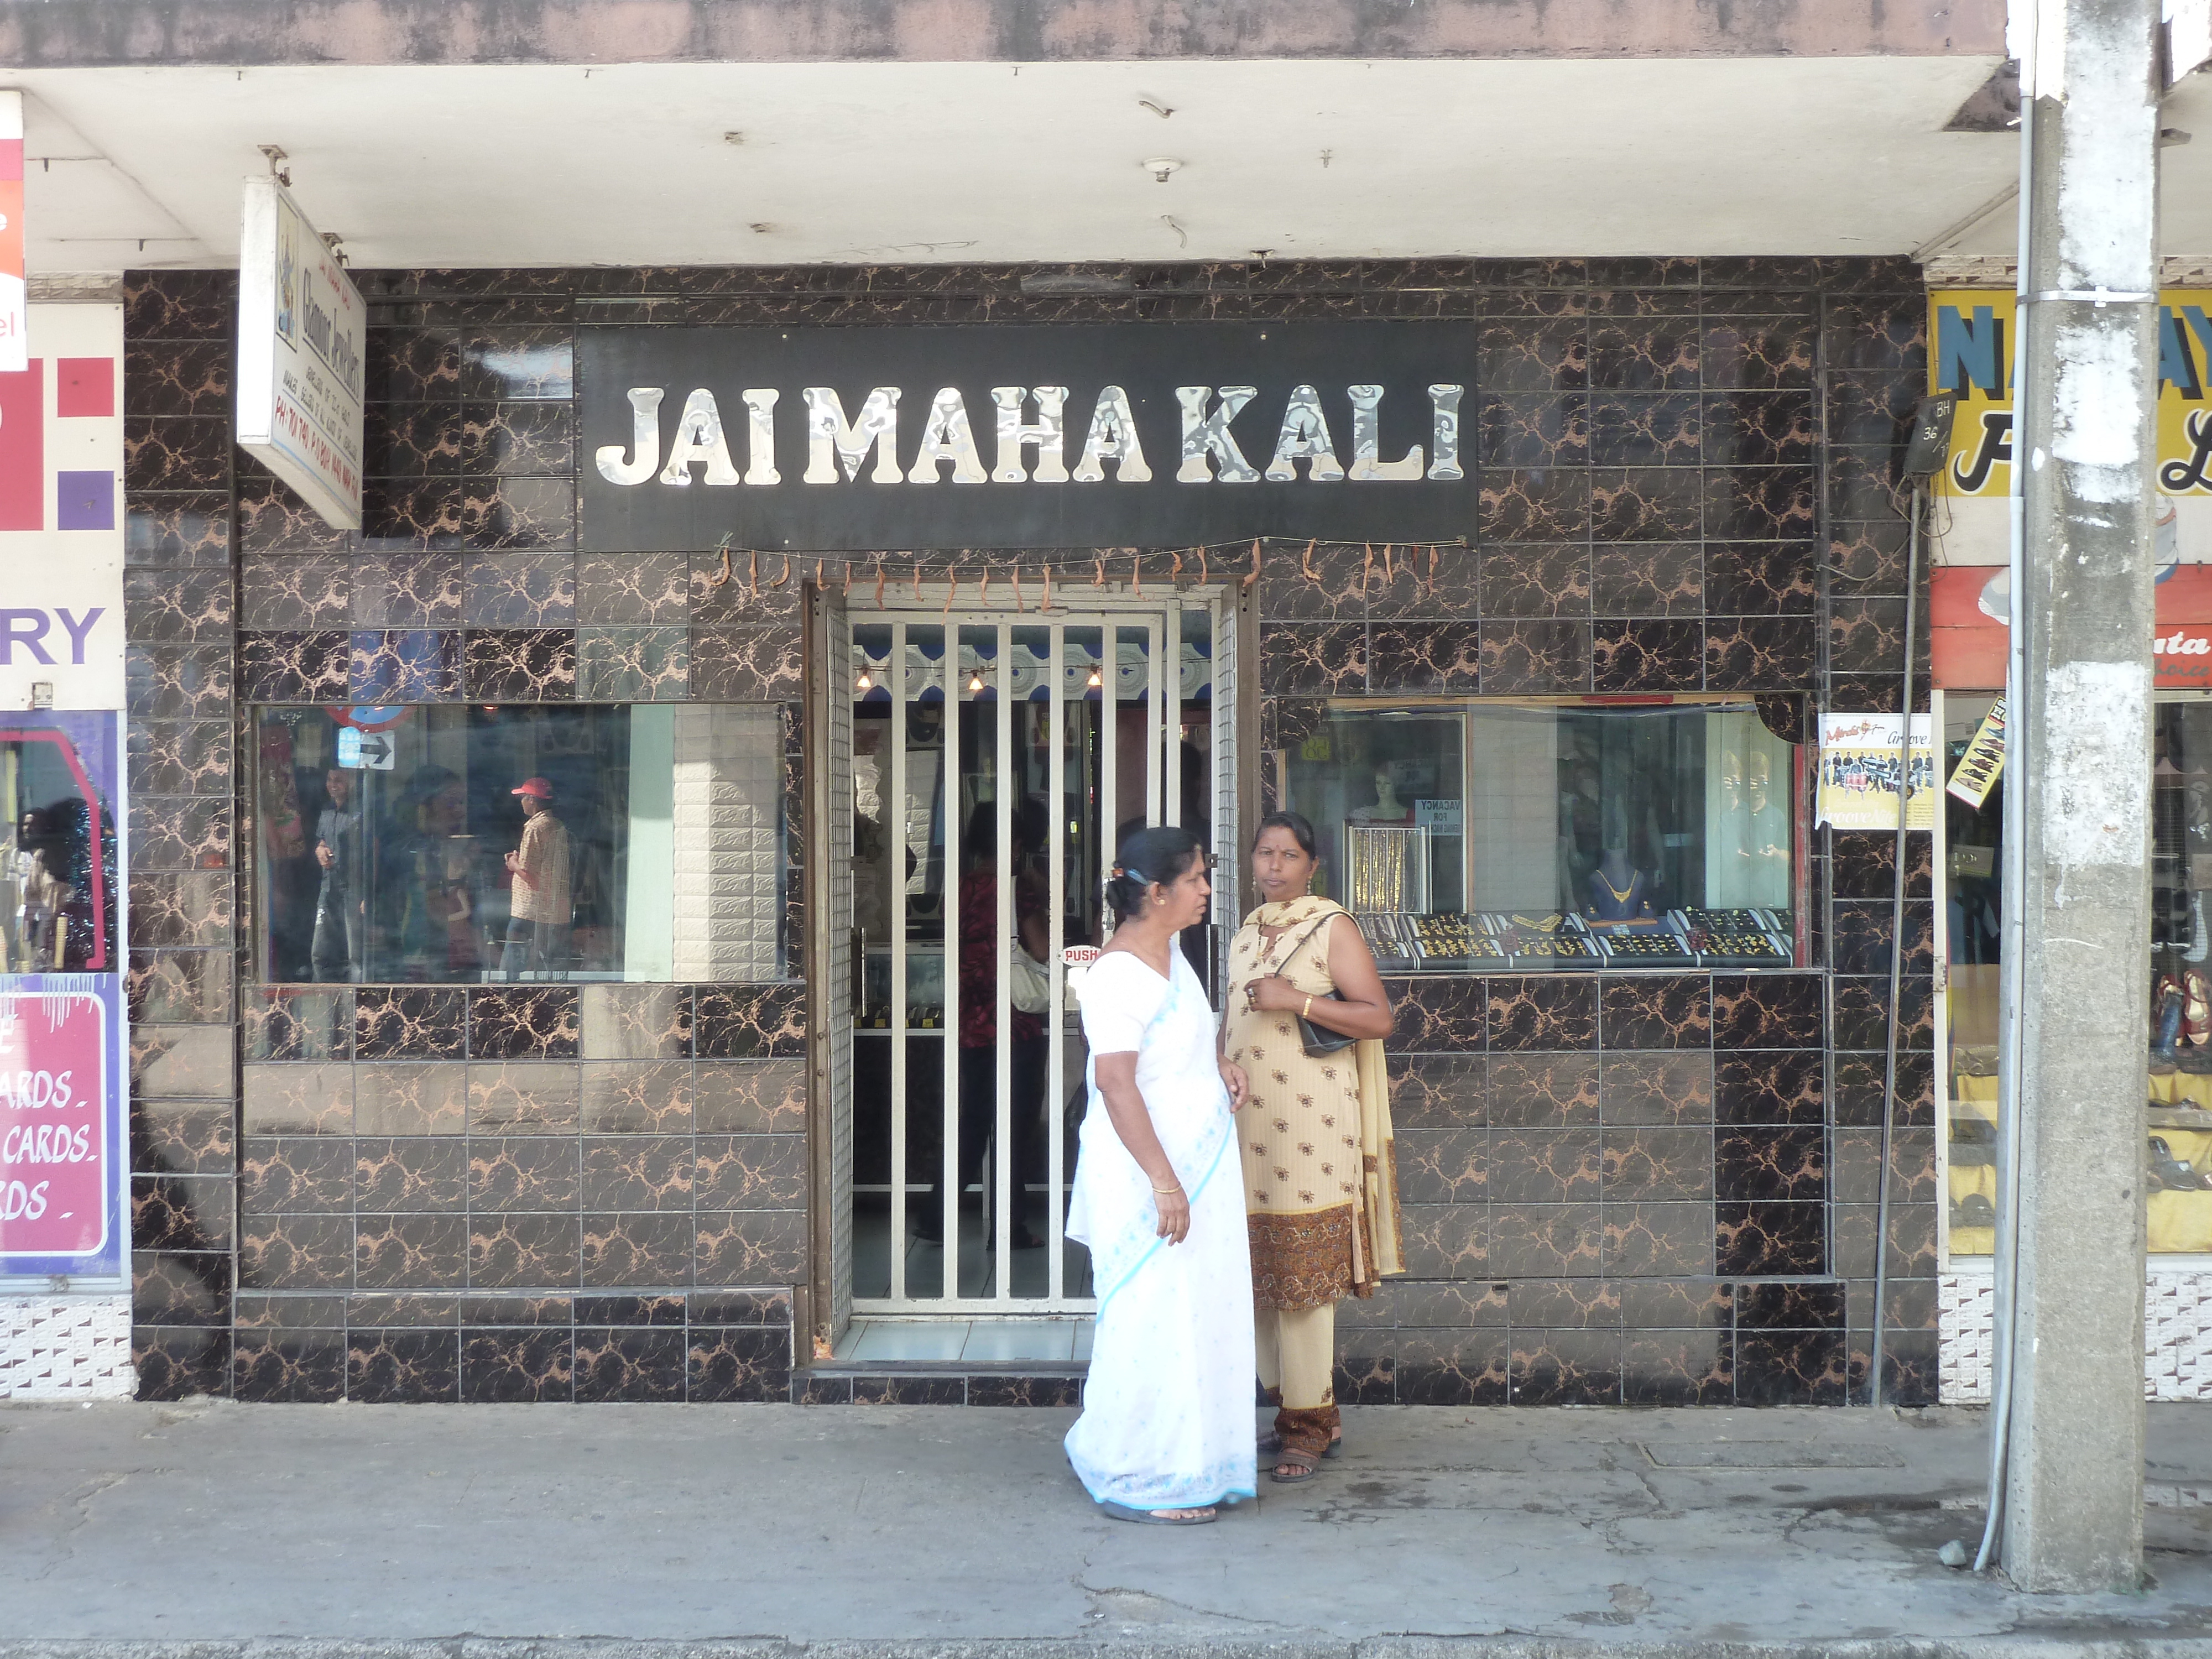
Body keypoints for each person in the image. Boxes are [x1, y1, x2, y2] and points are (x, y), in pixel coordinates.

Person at [1064, 824, 1255, 1525]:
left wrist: (1219, 1063)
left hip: (1199, 1165)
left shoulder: (1171, 951)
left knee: (1195, 1310)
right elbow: (1115, 1083)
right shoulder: (1115, 974)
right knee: (1152, 1316)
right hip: (1152, 1175)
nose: (1207, 891)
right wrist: (1163, 1183)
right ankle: (1143, 1470)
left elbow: (1177, 1042)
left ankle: (1193, 1457)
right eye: (1197, 879)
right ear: (1155, 891)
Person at [1222, 810, 1401, 1484]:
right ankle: (1287, 1406)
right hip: (1248, 1125)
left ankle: (1309, 1425)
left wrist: (1295, 1001)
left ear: (1311, 864)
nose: (1272, 866)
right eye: (1263, 852)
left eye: (1287, 854)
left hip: (1313, 1131)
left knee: (1301, 1279)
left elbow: (1378, 1017)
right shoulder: (1244, 933)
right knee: (1259, 1274)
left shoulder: (1331, 927)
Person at [935, 800, 1050, 1249]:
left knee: (977, 1118)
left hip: (970, 1022)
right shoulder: (1015, 891)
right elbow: (1040, 950)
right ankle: (1009, 1226)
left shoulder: (957, 888)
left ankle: (936, 1213)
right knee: (1015, 1126)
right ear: (1016, 843)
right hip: (1014, 1024)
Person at [502, 775, 571, 978]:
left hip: (529, 908)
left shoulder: (534, 828)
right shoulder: (557, 825)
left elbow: (531, 877)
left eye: (523, 797)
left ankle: (508, 992)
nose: (521, 801)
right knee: (548, 960)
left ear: (532, 800)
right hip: (554, 907)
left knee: (514, 952)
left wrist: (513, 864)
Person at [311, 768, 365, 982]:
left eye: (339, 780)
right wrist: (320, 850)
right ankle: (322, 994)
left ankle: (358, 999)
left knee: (355, 955)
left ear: (351, 782)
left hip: (354, 889)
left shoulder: (361, 812)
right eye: (330, 779)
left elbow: (374, 852)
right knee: (320, 950)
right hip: (329, 888)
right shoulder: (326, 810)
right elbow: (322, 841)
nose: (334, 784)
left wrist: (368, 894)